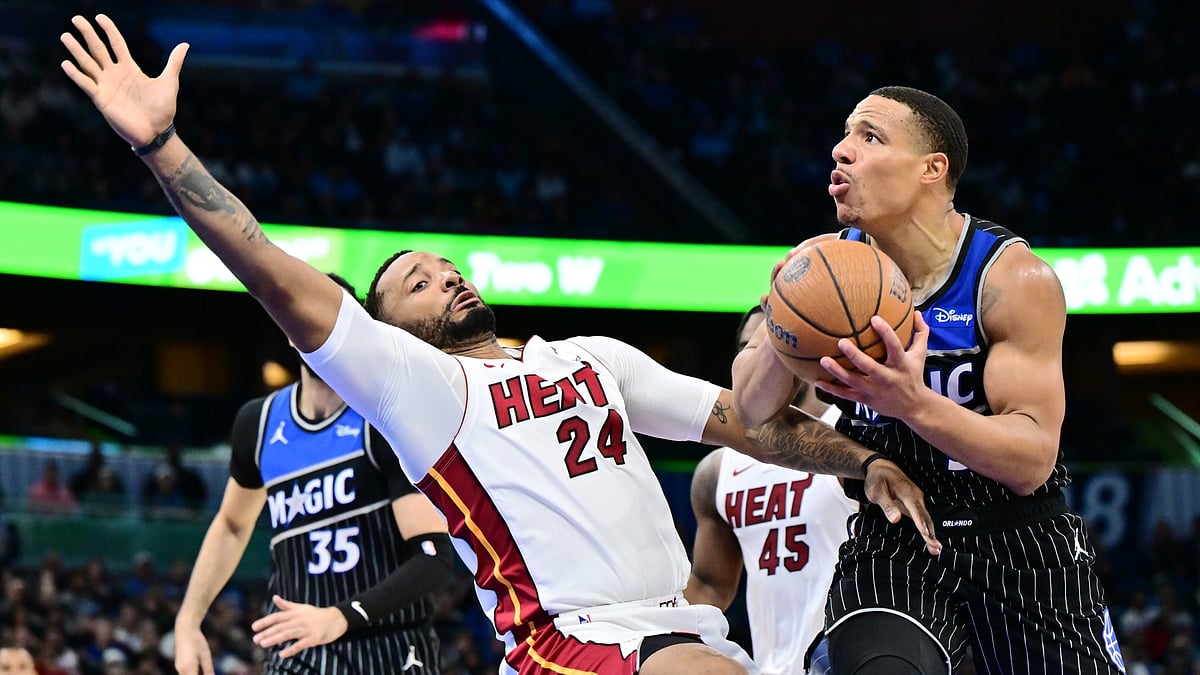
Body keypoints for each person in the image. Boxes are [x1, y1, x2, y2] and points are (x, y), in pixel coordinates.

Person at [61, 17, 939, 674]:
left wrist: (863, 462)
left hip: (679, 624)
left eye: (446, 265)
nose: (444, 276)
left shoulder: (592, 355)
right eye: (417, 281)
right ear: (389, 328)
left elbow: (746, 426)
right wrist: (164, 148)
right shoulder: (417, 386)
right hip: (567, 637)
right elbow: (265, 264)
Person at [732, 85, 1125, 674]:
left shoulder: (1012, 279)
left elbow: (1031, 462)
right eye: (844, 136)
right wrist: (787, 315)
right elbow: (750, 408)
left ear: (931, 169)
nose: (841, 151)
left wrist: (912, 404)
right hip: (894, 537)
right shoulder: (825, 268)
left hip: (1018, 539)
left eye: (869, 136)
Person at [172, 272, 456, 675]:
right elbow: (233, 525)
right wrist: (188, 620)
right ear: (290, 331)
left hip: (388, 646)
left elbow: (433, 559)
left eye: (338, 317)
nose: (323, 325)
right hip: (299, 651)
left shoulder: (384, 420)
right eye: (309, 313)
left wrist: (341, 616)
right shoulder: (259, 423)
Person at [685, 306, 856, 675]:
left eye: (774, 347)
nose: (762, 361)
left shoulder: (855, 438)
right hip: (769, 666)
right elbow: (709, 587)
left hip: (853, 660)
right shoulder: (717, 471)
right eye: (750, 349)